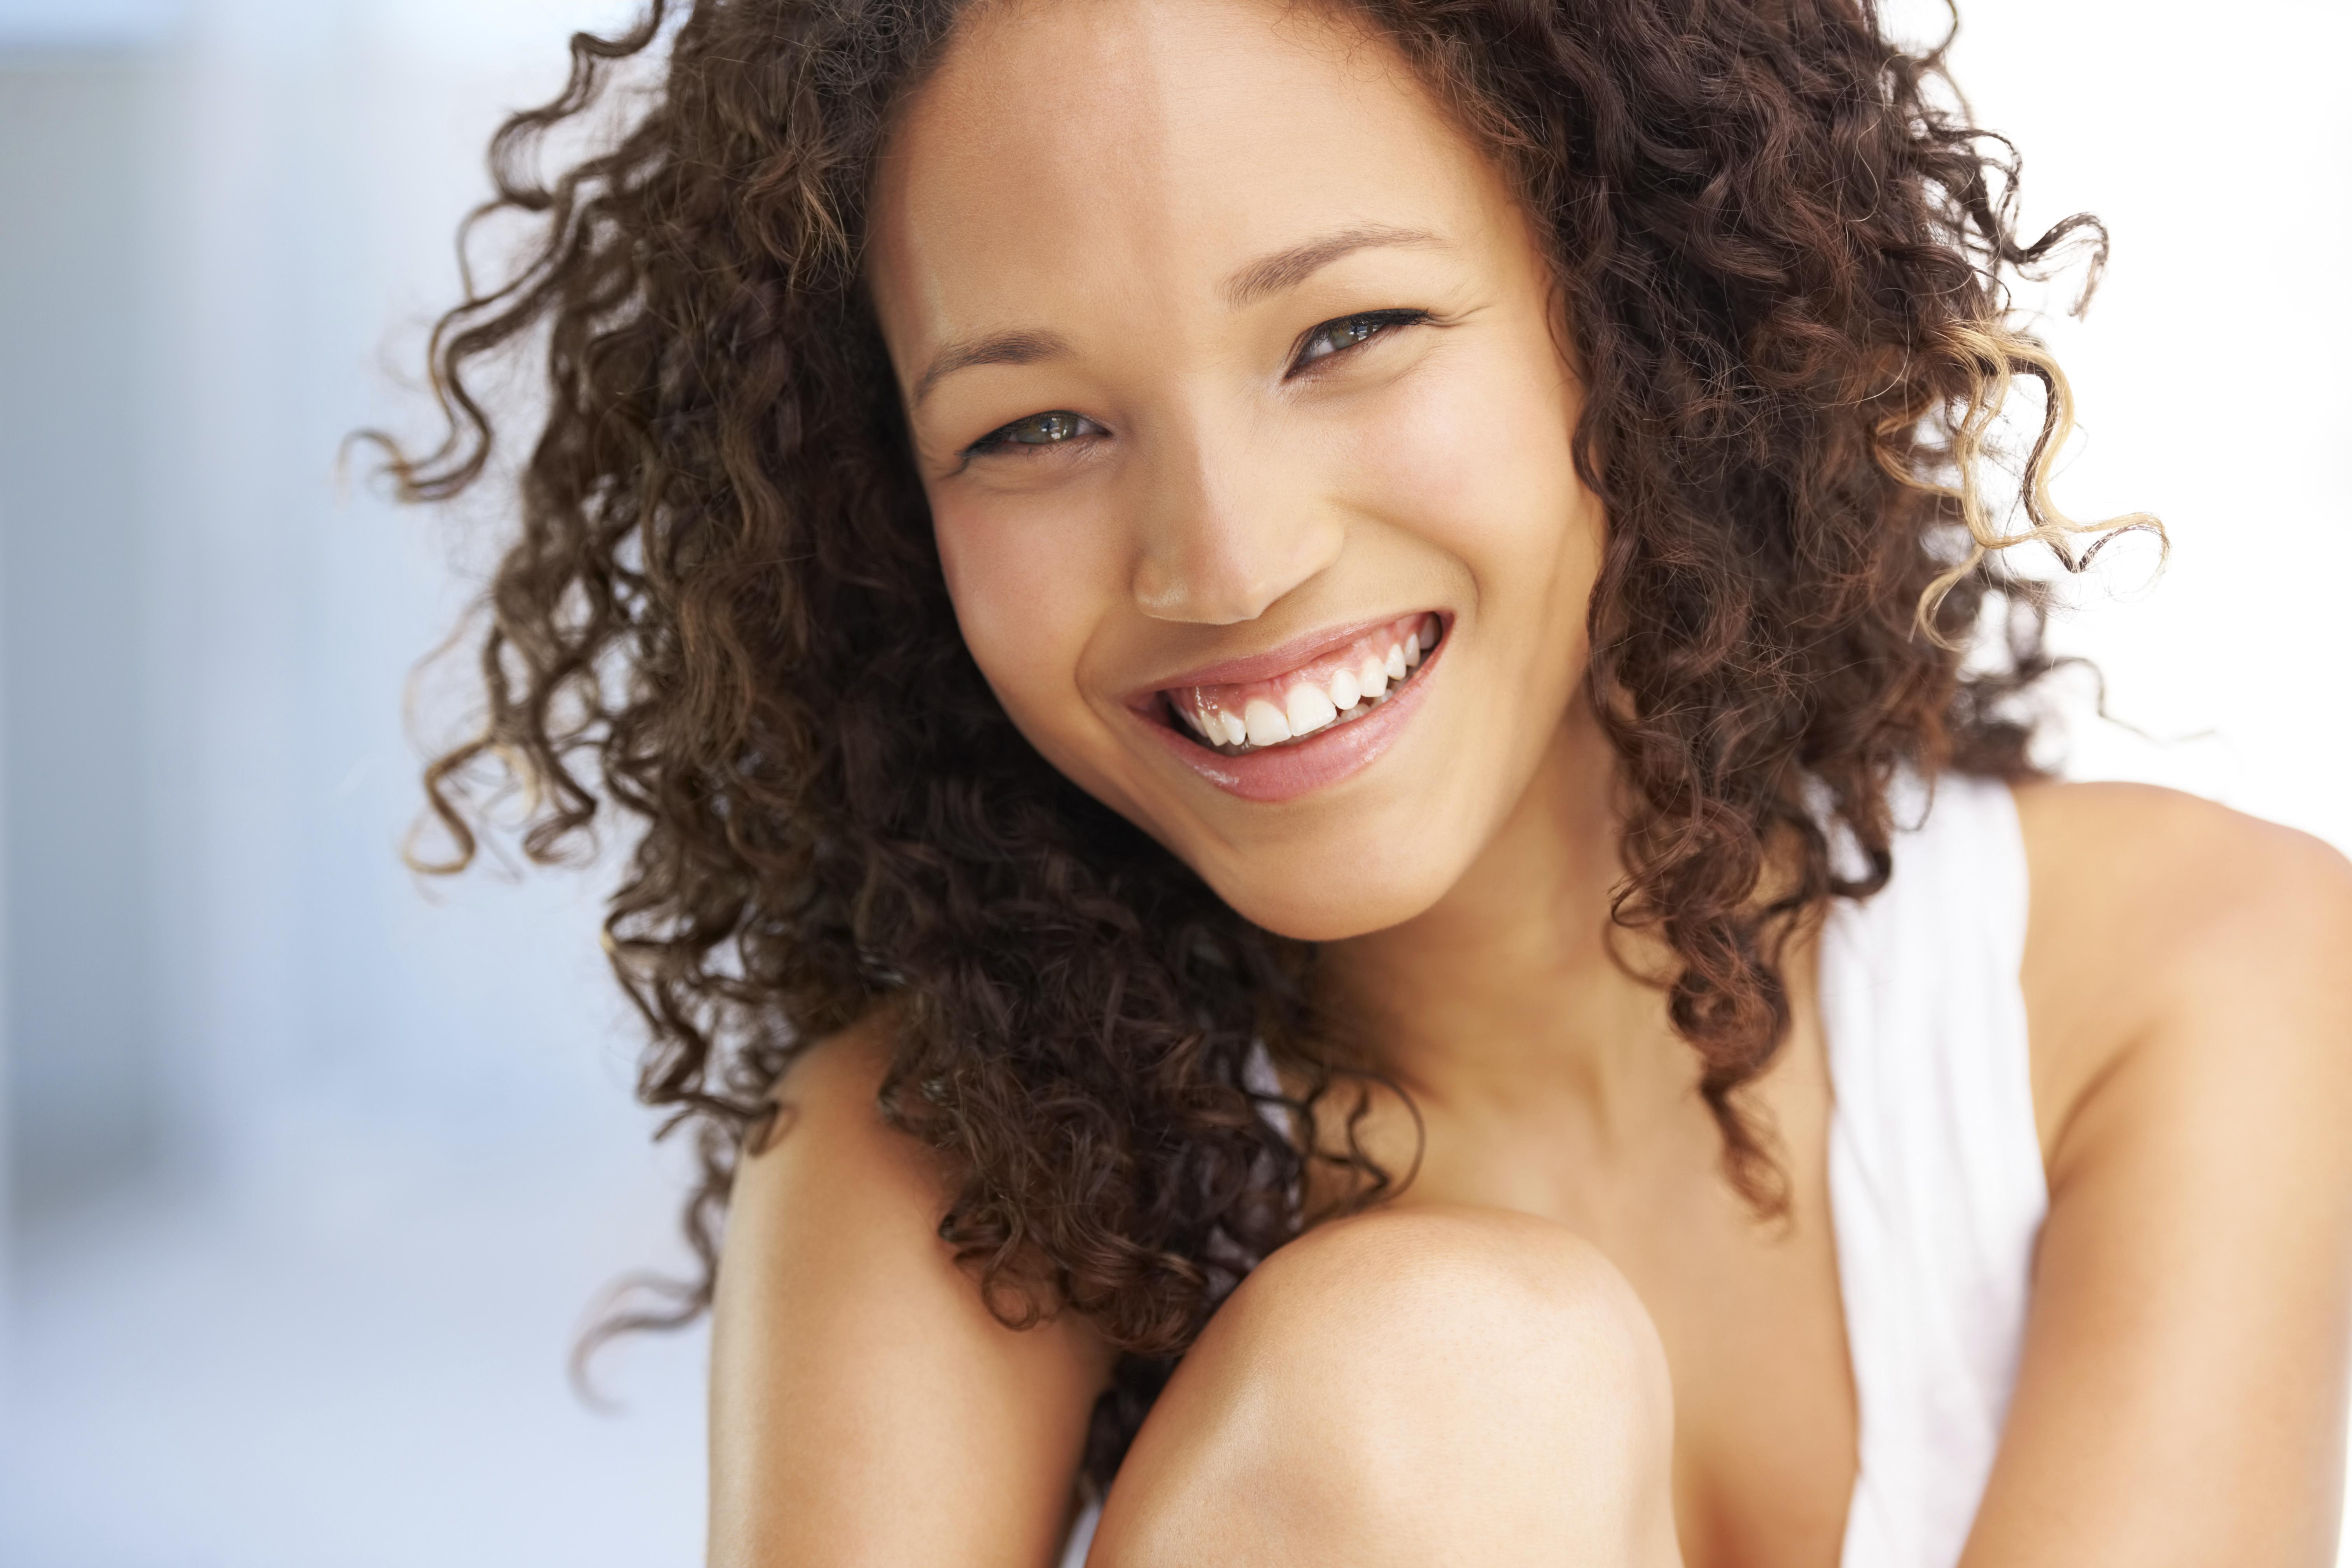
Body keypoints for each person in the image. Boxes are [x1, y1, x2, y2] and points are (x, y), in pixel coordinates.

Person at [381, 0, 2352, 1562]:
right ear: (885, 522)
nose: (1224, 562)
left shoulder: (2205, 978)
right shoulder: (937, 1170)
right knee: (1449, 1379)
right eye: (1037, 424)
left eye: (1350, 332)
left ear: (1638, 318)